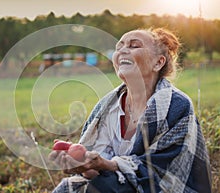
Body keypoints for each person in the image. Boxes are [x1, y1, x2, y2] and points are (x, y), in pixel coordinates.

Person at [49, 27, 212, 193]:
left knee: (103, 187)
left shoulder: (177, 105)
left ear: (158, 62)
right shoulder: (106, 108)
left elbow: (161, 173)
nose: (123, 50)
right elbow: (95, 173)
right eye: (119, 47)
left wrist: (108, 165)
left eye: (134, 46)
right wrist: (82, 161)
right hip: (116, 186)